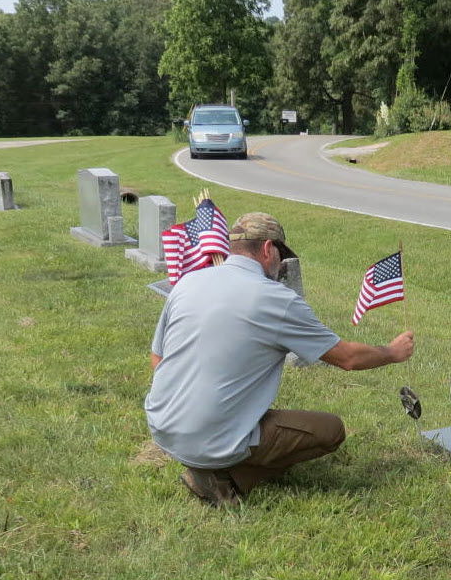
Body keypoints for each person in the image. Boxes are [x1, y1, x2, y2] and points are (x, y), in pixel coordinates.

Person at [145, 212, 415, 506]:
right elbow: (346, 358)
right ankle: (225, 479)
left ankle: (208, 456)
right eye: (280, 254)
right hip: (207, 438)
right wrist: (392, 352)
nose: (280, 263)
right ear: (267, 249)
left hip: (161, 426)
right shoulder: (275, 298)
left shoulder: (188, 282)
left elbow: (158, 357)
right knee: (330, 430)